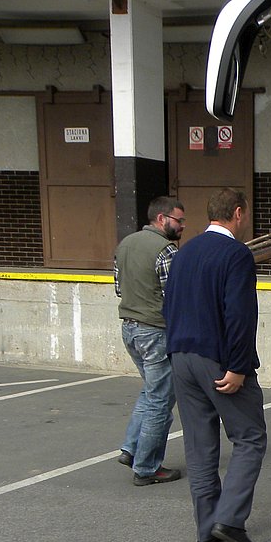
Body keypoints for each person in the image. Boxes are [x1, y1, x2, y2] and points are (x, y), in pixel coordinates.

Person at [163, 187, 267, 542]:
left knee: (199, 445)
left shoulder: (184, 252)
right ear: (237, 213)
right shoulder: (236, 254)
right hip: (219, 360)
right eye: (246, 213)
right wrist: (239, 366)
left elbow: (168, 306)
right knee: (249, 437)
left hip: (181, 356)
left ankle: (206, 529)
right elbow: (240, 315)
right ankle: (230, 519)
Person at [113, 195, 185, 486]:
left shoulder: (125, 244)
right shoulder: (166, 250)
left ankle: (131, 448)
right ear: (161, 218)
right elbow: (174, 296)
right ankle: (146, 468)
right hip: (154, 331)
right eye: (178, 220)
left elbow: (119, 289)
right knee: (160, 400)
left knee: (151, 392)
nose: (182, 226)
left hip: (130, 329)